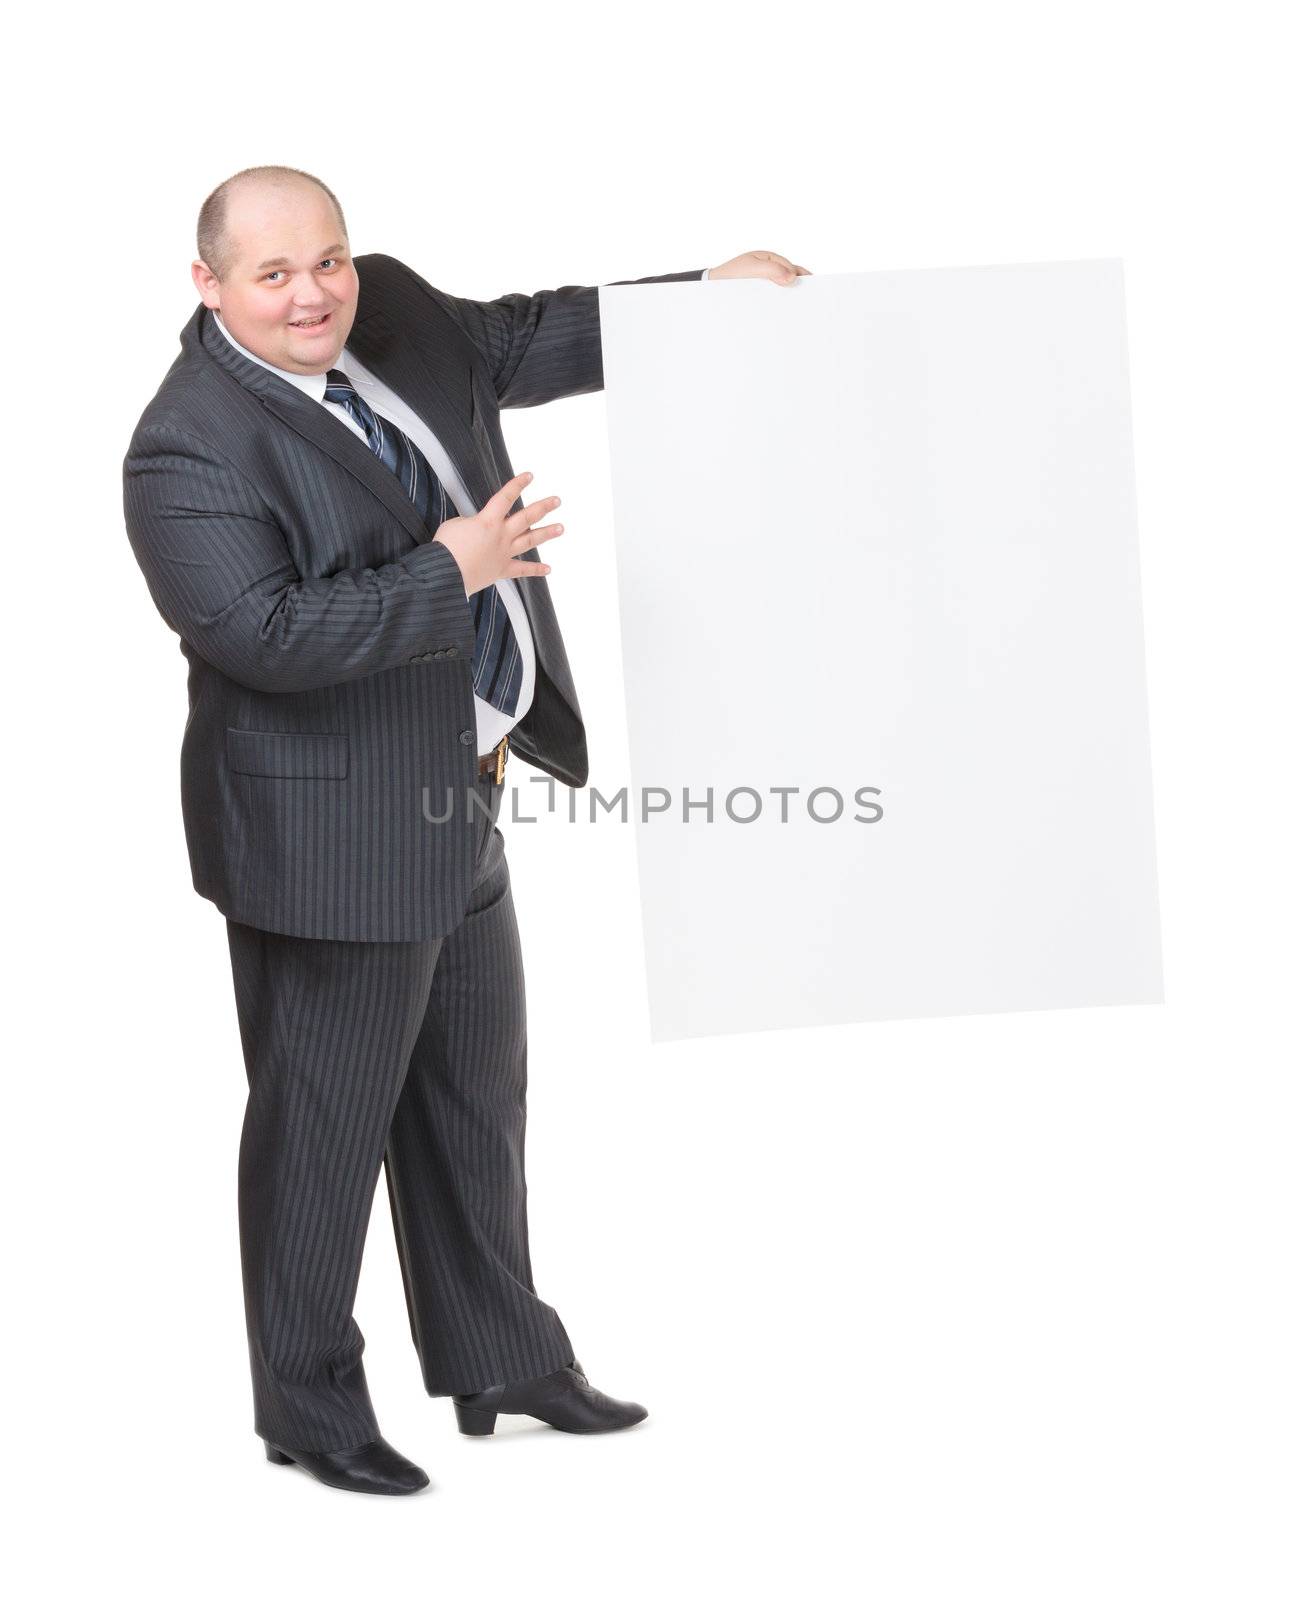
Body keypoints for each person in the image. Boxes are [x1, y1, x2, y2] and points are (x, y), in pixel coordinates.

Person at [122, 163, 809, 1496]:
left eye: (328, 257)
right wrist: (452, 570)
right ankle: (308, 1409)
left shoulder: (394, 314)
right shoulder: (187, 444)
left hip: (459, 790)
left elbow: (528, 332)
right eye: (273, 274)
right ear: (208, 286)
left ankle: (502, 1358)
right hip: (326, 841)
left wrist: (700, 304)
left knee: (472, 1105)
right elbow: (262, 639)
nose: (315, 291)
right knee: (324, 1130)